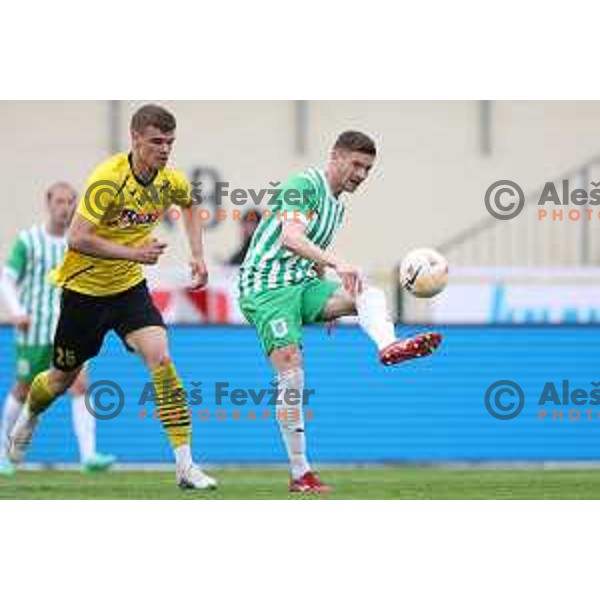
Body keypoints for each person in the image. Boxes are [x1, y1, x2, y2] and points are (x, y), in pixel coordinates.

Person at [9, 104, 216, 490]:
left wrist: (198, 255)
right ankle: (31, 416)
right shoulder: (108, 179)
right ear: (135, 138)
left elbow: (189, 205)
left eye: (170, 142)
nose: (165, 149)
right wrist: (134, 253)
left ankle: (185, 465)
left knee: (162, 358)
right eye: (156, 141)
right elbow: (77, 237)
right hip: (83, 293)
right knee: (58, 380)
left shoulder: (169, 181)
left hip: (127, 291)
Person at [238, 131, 442, 493]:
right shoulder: (303, 184)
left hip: (301, 285)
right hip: (266, 286)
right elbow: (291, 238)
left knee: (368, 292)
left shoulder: (337, 204)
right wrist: (338, 263)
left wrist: (326, 301)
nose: (362, 174)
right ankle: (301, 473)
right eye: (357, 164)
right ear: (336, 157)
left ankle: (387, 346)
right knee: (292, 372)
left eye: (368, 168)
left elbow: (309, 250)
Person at [0, 182, 115, 475]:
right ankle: (5, 453)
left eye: (70, 202)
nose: (65, 207)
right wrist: (16, 311)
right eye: (60, 201)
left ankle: (89, 456)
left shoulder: (80, 240)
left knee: (81, 386)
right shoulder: (29, 241)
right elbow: (7, 279)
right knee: (24, 388)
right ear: (48, 203)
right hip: (34, 328)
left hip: (71, 327)